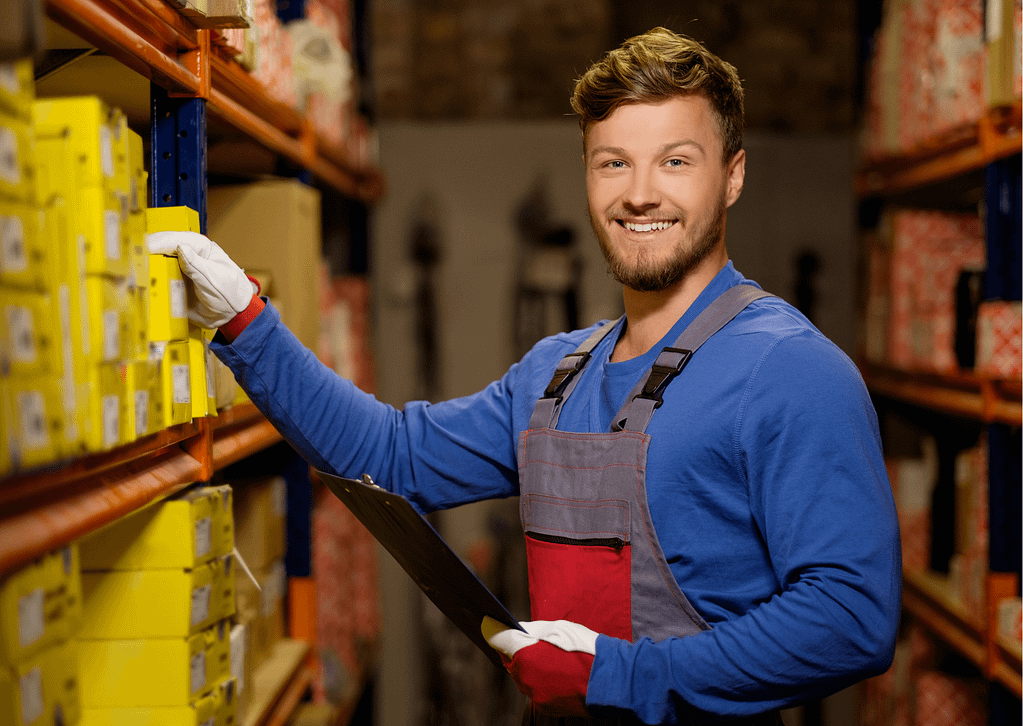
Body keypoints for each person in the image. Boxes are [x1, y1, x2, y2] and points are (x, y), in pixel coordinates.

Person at [147, 27, 900, 726]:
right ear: (586, 173)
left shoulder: (789, 369)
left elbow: (850, 619)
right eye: (614, 162)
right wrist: (245, 322)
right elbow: (388, 457)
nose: (640, 192)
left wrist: (620, 675)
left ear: (731, 178)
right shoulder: (555, 376)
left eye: (675, 160)